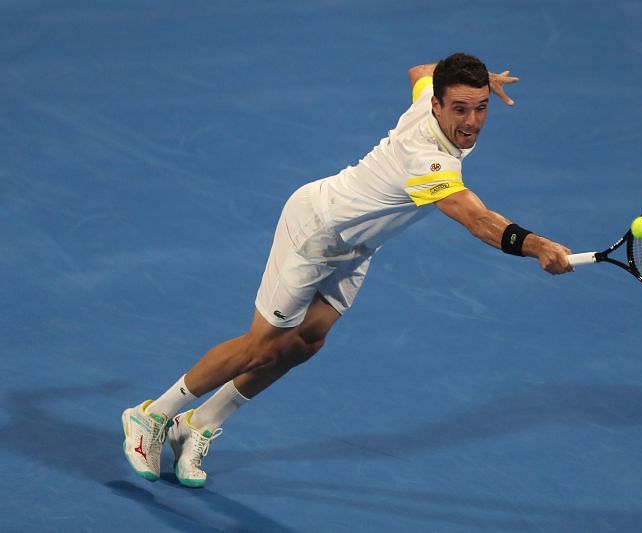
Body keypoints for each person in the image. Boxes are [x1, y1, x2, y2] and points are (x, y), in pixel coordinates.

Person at [121, 52, 573, 488]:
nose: (472, 122)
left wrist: (481, 78)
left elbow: (421, 69)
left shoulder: (429, 99)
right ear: (436, 105)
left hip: (357, 246)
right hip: (314, 232)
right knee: (261, 347)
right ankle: (152, 415)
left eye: (480, 108)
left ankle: (199, 423)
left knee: (306, 344)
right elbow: (477, 220)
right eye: (460, 108)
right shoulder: (427, 157)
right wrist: (537, 246)